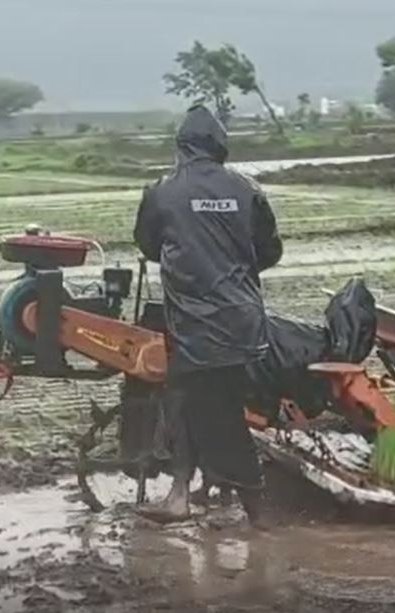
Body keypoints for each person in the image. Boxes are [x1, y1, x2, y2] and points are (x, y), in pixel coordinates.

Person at [132, 105, 283, 527]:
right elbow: (270, 251)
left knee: (215, 415)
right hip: (244, 321)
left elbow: (147, 244)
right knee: (191, 403)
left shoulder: (162, 191)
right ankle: (186, 493)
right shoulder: (248, 190)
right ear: (221, 150)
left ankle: (258, 513)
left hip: (197, 325)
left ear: (181, 148)